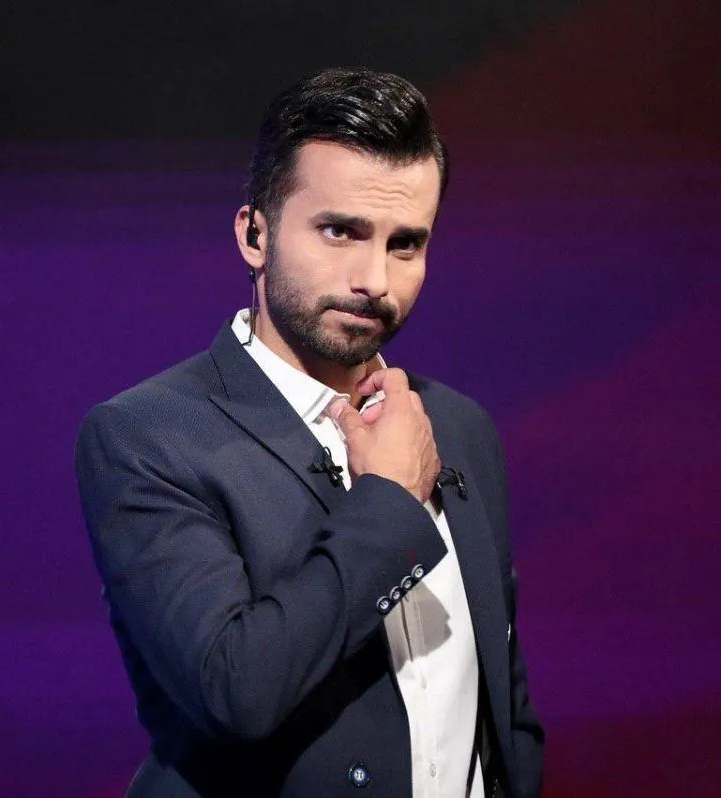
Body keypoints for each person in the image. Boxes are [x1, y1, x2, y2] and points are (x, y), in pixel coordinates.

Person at [74, 68, 544, 797]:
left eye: (405, 244)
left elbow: (502, 708)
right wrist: (392, 501)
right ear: (254, 234)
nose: (374, 279)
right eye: (340, 231)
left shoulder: (458, 427)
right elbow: (237, 690)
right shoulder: (148, 436)